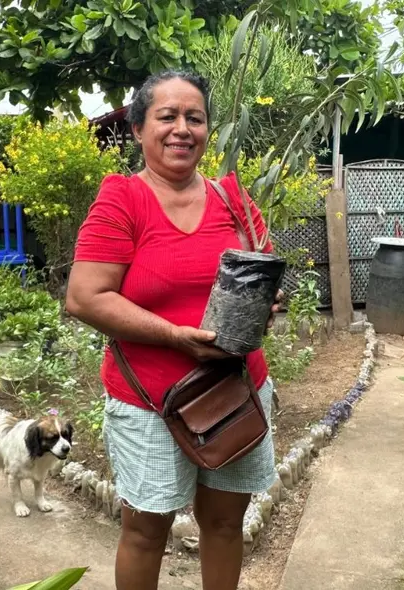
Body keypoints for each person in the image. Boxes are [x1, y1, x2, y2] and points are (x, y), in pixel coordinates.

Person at [65, 70, 281, 590]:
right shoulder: (123, 200)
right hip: (151, 401)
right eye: (167, 116)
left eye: (195, 118)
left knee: (225, 523)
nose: (182, 129)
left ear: (207, 130)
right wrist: (173, 335)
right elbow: (84, 297)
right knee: (145, 532)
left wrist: (265, 306)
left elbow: (262, 272)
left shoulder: (233, 200)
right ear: (139, 128)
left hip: (235, 390)